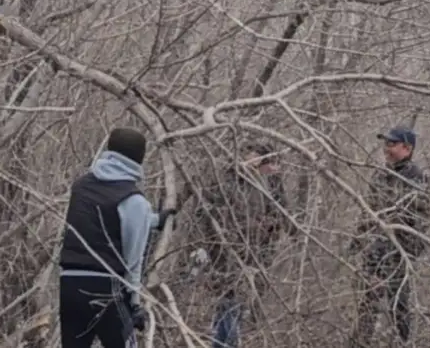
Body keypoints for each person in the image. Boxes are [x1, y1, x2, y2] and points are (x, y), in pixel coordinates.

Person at [58, 127, 177, 348]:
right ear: (138, 159)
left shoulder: (81, 187)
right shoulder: (134, 200)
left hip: (69, 284)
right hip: (106, 288)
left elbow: (102, 219)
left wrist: (153, 221)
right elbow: (133, 260)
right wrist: (134, 303)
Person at [184, 143, 294, 348]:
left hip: (252, 254)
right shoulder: (228, 179)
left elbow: (280, 216)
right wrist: (201, 246)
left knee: (232, 304)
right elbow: (210, 210)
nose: (271, 168)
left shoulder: (267, 184)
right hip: (224, 252)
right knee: (229, 303)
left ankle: (223, 342)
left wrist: (269, 229)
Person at [348, 126, 430, 348]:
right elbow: (369, 212)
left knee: (398, 305)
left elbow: (420, 223)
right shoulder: (381, 173)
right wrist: (356, 243)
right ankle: (359, 343)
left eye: (392, 144)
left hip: (398, 252)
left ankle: (403, 343)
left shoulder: (416, 177)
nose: (386, 148)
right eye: (386, 143)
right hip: (374, 249)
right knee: (366, 303)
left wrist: (406, 255)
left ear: (407, 148)